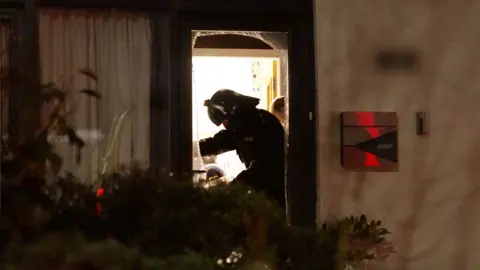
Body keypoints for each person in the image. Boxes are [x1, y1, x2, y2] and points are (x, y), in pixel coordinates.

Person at [199, 89, 286, 208]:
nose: (225, 125)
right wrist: (192, 149)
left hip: (277, 197)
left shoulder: (262, 123)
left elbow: (263, 167)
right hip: (264, 195)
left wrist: (233, 187)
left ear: (234, 111)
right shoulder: (241, 127)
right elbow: (217, 143)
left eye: (225, 121)